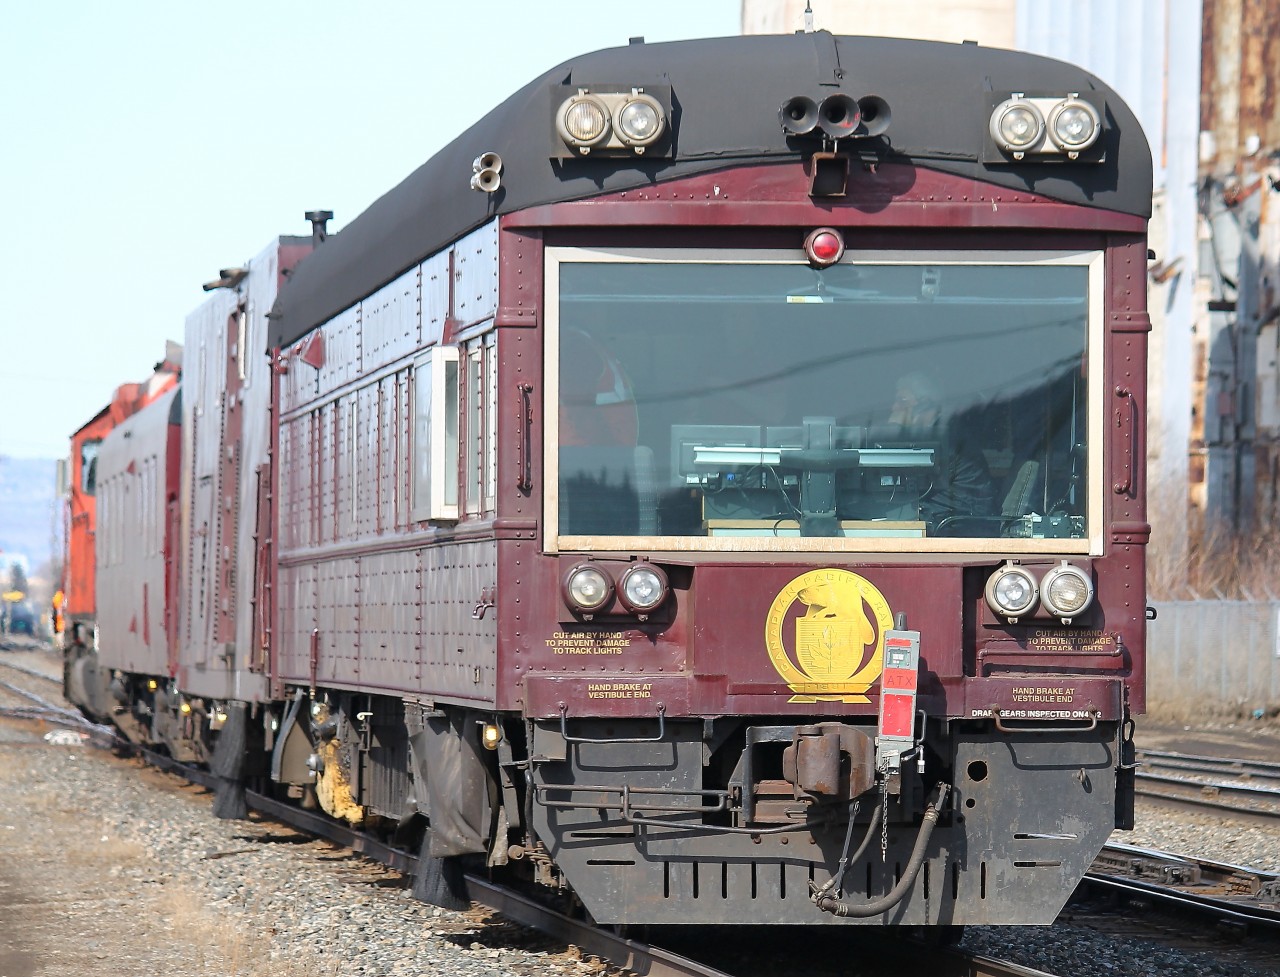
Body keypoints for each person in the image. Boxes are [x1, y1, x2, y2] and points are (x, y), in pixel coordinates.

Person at [884, 371, 996, 532]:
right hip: (943, 518)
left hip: (959, 526)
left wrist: (896, 430)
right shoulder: (930, 436)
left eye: (902, 401)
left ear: (924, 405)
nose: (894, 407)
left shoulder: (946, 439)